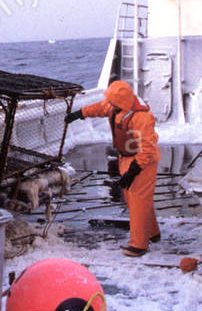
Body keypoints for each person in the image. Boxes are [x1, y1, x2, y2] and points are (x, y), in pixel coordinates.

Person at [66, 80, 161, 256]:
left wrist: (133, 172)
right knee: (134, 198)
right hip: (126, 157)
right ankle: (152, 233)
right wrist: (80, 113)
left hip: (142, 162)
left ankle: (139, 245)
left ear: (122, 102)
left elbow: (146, 149)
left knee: (138, 199)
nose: (109, 104)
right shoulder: (117, 106)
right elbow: (101, 108)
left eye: (112, 102)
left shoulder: (141, 117)